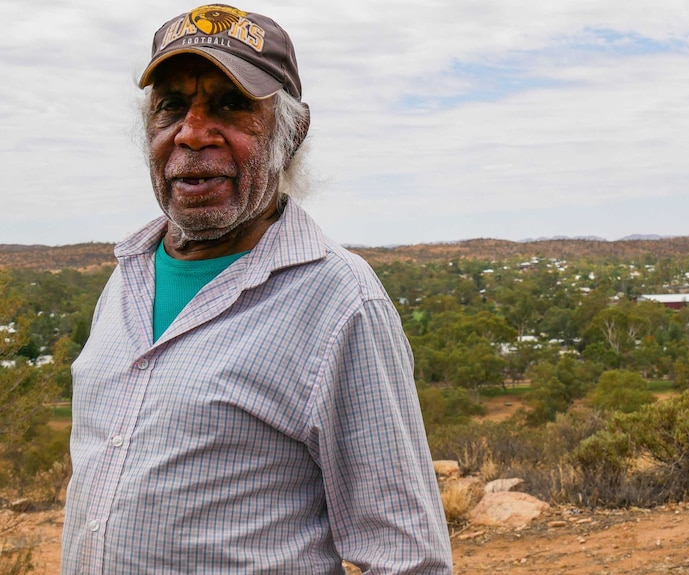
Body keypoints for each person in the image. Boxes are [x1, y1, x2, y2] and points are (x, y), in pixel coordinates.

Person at [60, 4, 453, 573]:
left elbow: (406, 558)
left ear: (292, 133)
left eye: (230, 105)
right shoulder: (127, 273)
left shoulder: (340, 301)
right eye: (171, 105)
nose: (192, 133)